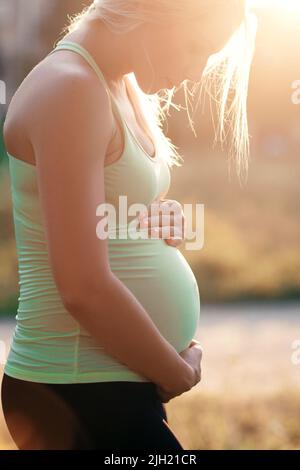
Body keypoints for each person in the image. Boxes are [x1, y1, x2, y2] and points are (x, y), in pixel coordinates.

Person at [1, 0, 256, 450]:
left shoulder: (115, 82)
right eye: (195, 48)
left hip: (104, 382)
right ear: (157, 12)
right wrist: (175, 371)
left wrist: (154, 215)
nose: (196, 73)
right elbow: (82, 286)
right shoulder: (71, 89)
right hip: (75, 388)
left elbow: (97, 212)